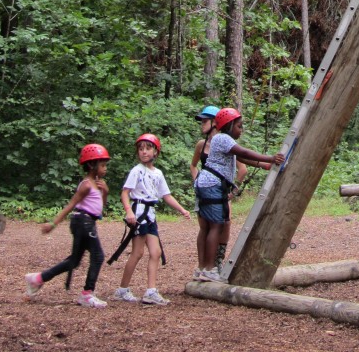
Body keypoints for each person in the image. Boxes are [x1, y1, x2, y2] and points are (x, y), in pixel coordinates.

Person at [194, 107, 284, 282]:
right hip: (212, 185)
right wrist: (270, 158)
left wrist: (265, 165)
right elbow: (244, 152)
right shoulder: (223, 138)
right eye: (239, 126)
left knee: (210, 227)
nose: (241, 130)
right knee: (215, 227)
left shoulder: (221, 141)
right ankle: (209, 269)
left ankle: (203, 268)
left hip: (206, 184)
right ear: (228, 125)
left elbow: (242, 159)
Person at [24, 143, 110, 308]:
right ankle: (87, 294)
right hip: (82, 222)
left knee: (74, 261)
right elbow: (71, 204)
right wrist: (53, 224)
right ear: (92, 165)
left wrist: (105, 192)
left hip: (88, 222)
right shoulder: (86, 184)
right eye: (103, 165)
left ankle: (38, 279)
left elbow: (101, 207)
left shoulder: (97, 184)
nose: (105, 168)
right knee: (98, 256)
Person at [113, 133, 191, 306]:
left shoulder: (158, 173)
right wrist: (129, 212)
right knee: (138, 252)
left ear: (156, 152)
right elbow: (125, 193)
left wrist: (182, 209)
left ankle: (151, 291)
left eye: (148, 148)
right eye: (141, 149)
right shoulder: (137, 171)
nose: (144, 152)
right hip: (139, 211)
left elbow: (166, 195)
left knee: (155, 252)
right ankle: (122, 289)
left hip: (150, 214)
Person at [190, 104, 246, 274]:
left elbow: (242, 166)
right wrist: (197, 181)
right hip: (209, 187)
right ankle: (205, 267)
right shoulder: (203, 144)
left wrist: (233, 191)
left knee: (222, 224)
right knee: (208, 227)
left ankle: (216, 262)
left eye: (205, 121)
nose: (202, 125)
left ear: (216, 122)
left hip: (219, 188)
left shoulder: (222, 141)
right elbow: (193, 166)